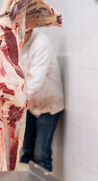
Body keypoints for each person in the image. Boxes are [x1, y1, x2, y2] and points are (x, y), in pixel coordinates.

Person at [20, 29, 65, 172]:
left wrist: (15, 103)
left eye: (20, 33)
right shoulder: (19, 43)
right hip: (30, 104)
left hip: (49, 104)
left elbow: (35, 81)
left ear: (30, 29)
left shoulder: (41, 43)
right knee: (26, 152)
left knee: (41, 155)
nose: (18, 37)